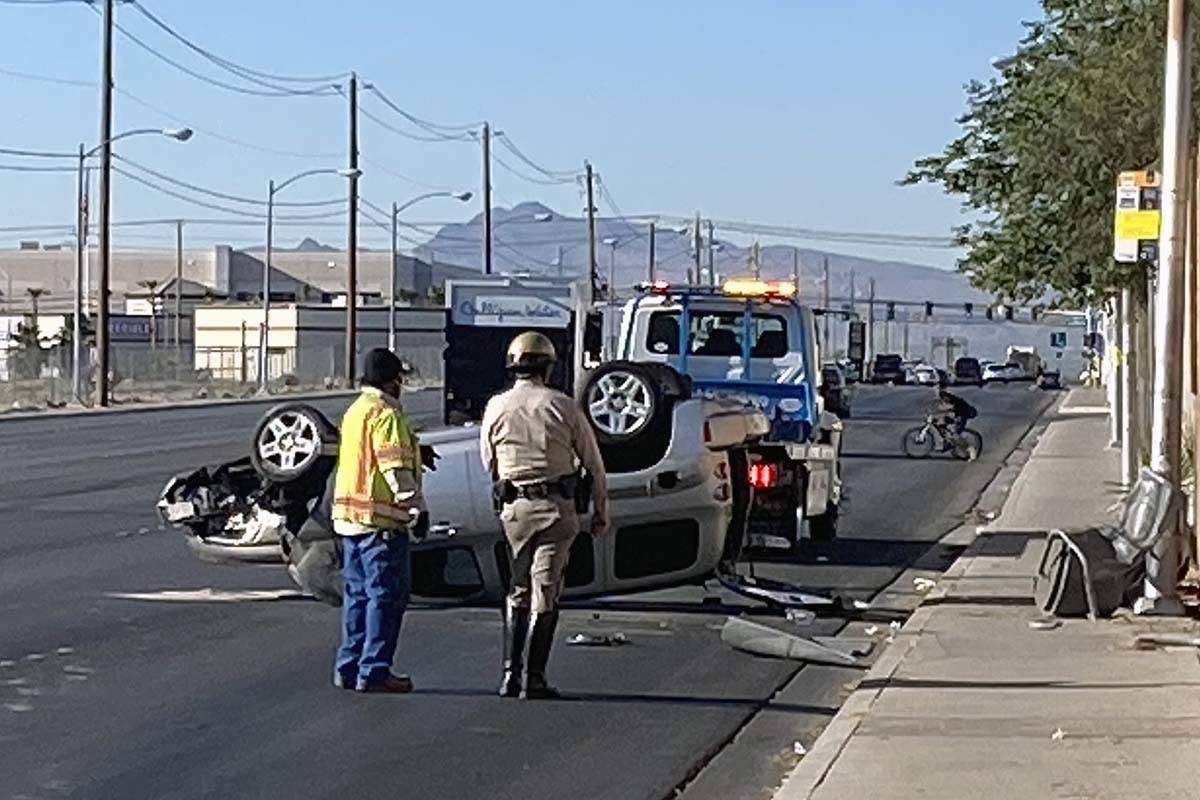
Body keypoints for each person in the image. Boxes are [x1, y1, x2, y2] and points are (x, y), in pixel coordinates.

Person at [481, 332, 609, 700]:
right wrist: (601, 509)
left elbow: (488, 461)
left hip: (514, 509)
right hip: (556, 509)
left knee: (516, 588)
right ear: (548, 367)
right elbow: (594, 465)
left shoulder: (496, 407)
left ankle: (509, 675)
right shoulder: (563, 406)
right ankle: (534, 678)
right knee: (546, 590)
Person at [331, 348, 429, 694]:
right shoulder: (386, 414)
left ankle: (348, 666)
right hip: (380, 525)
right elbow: (393, 469)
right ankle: (374, 670)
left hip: (348, 521)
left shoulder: (355, 412)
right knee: (384, 598)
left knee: (356, 597)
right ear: (393, 381)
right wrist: (415, 507)